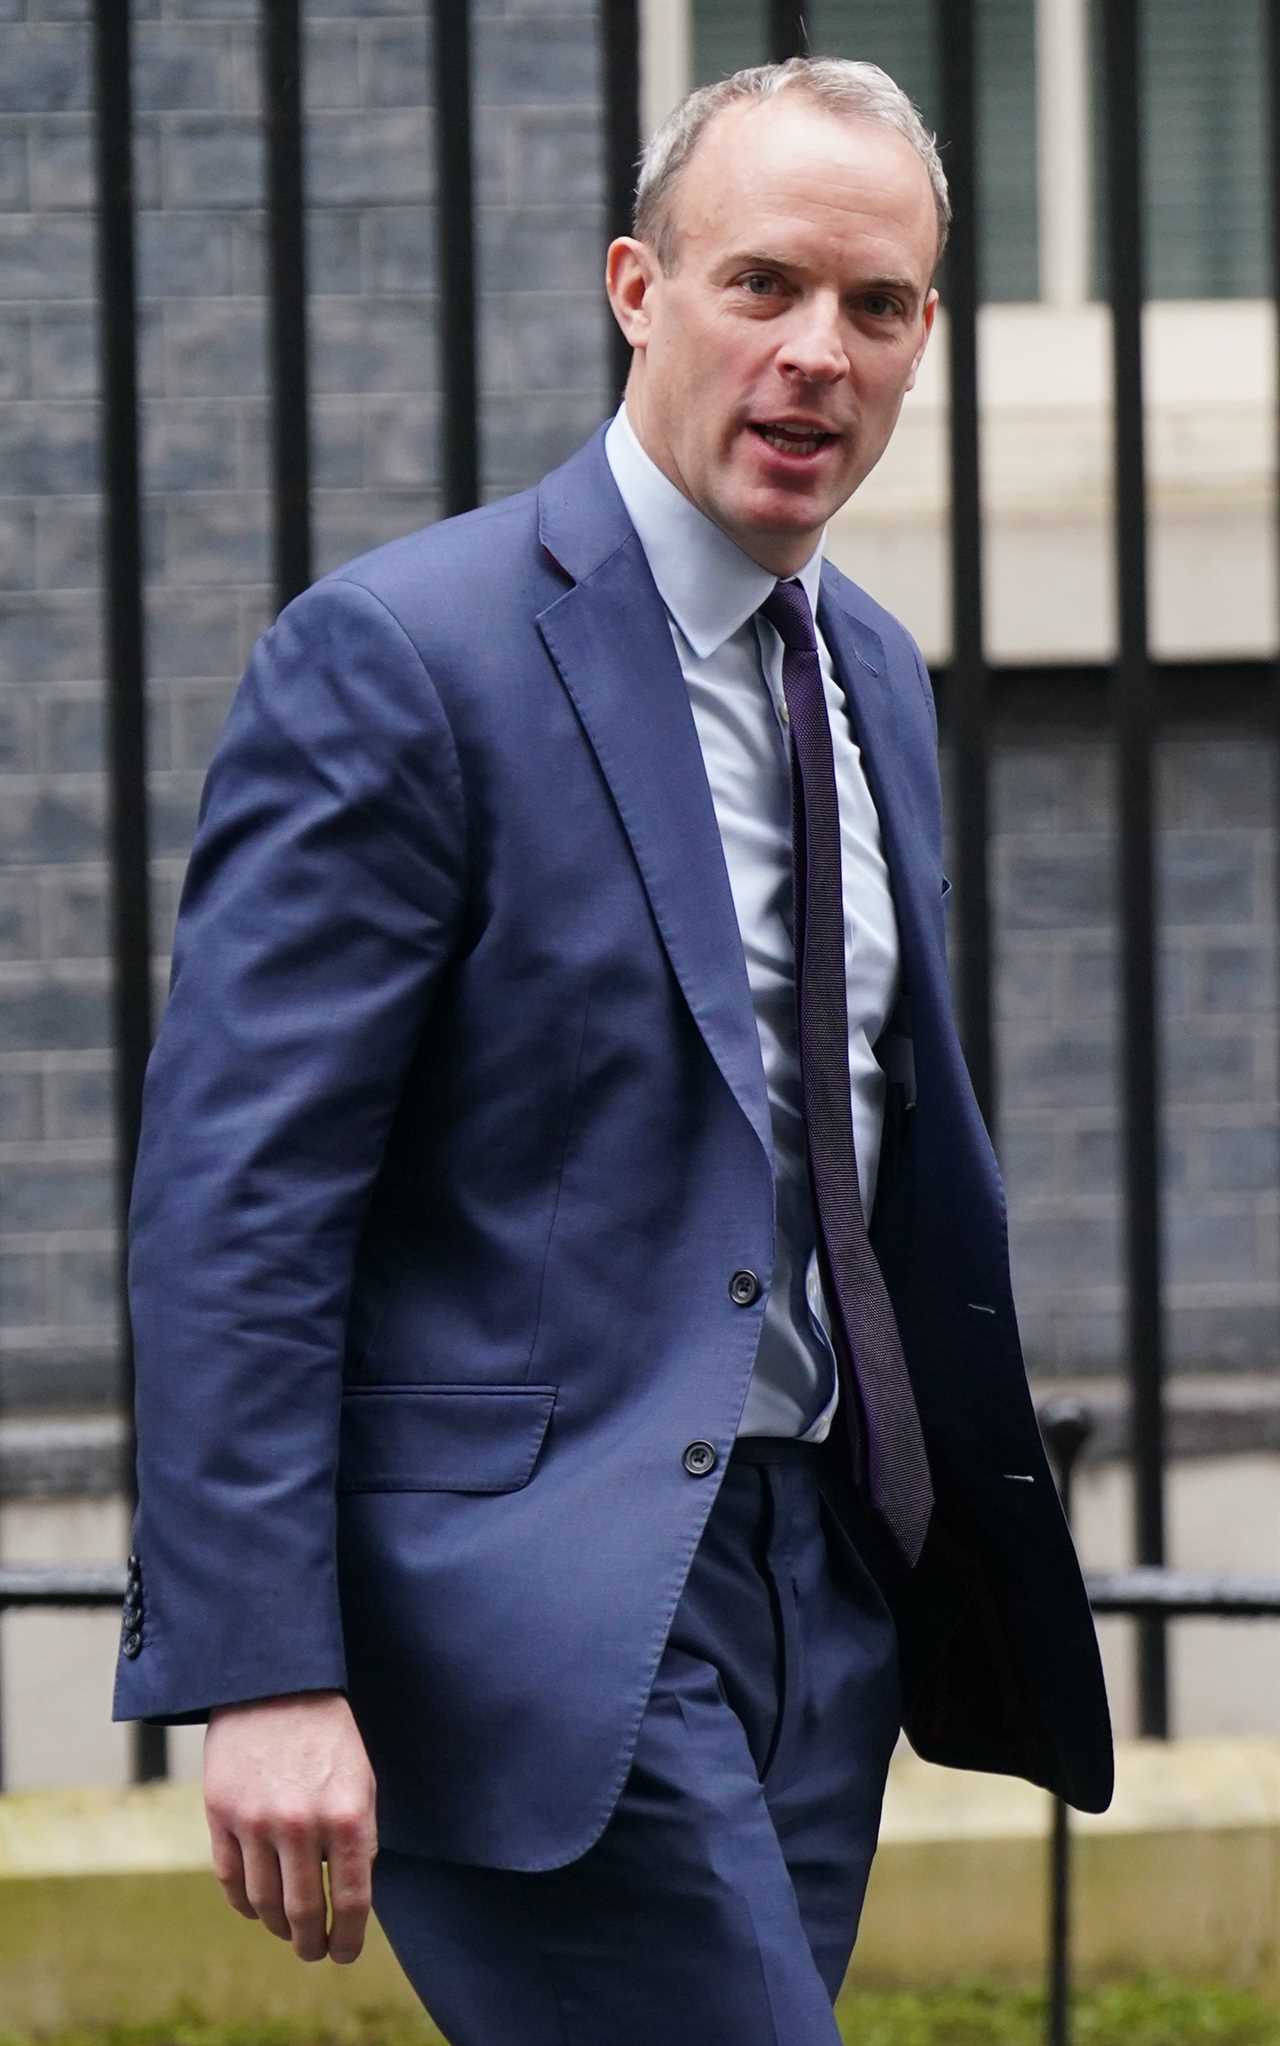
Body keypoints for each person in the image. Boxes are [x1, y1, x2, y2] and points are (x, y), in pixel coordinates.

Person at [113, 55, 1111, 2045]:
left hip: (815, 1581)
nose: (819, 353)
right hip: (537, 1605)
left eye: (877, 306)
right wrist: (261, 1665)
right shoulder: (404, 660)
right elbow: (243, 1199)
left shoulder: (876, 676)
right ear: (636, 289)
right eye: (763, 287)